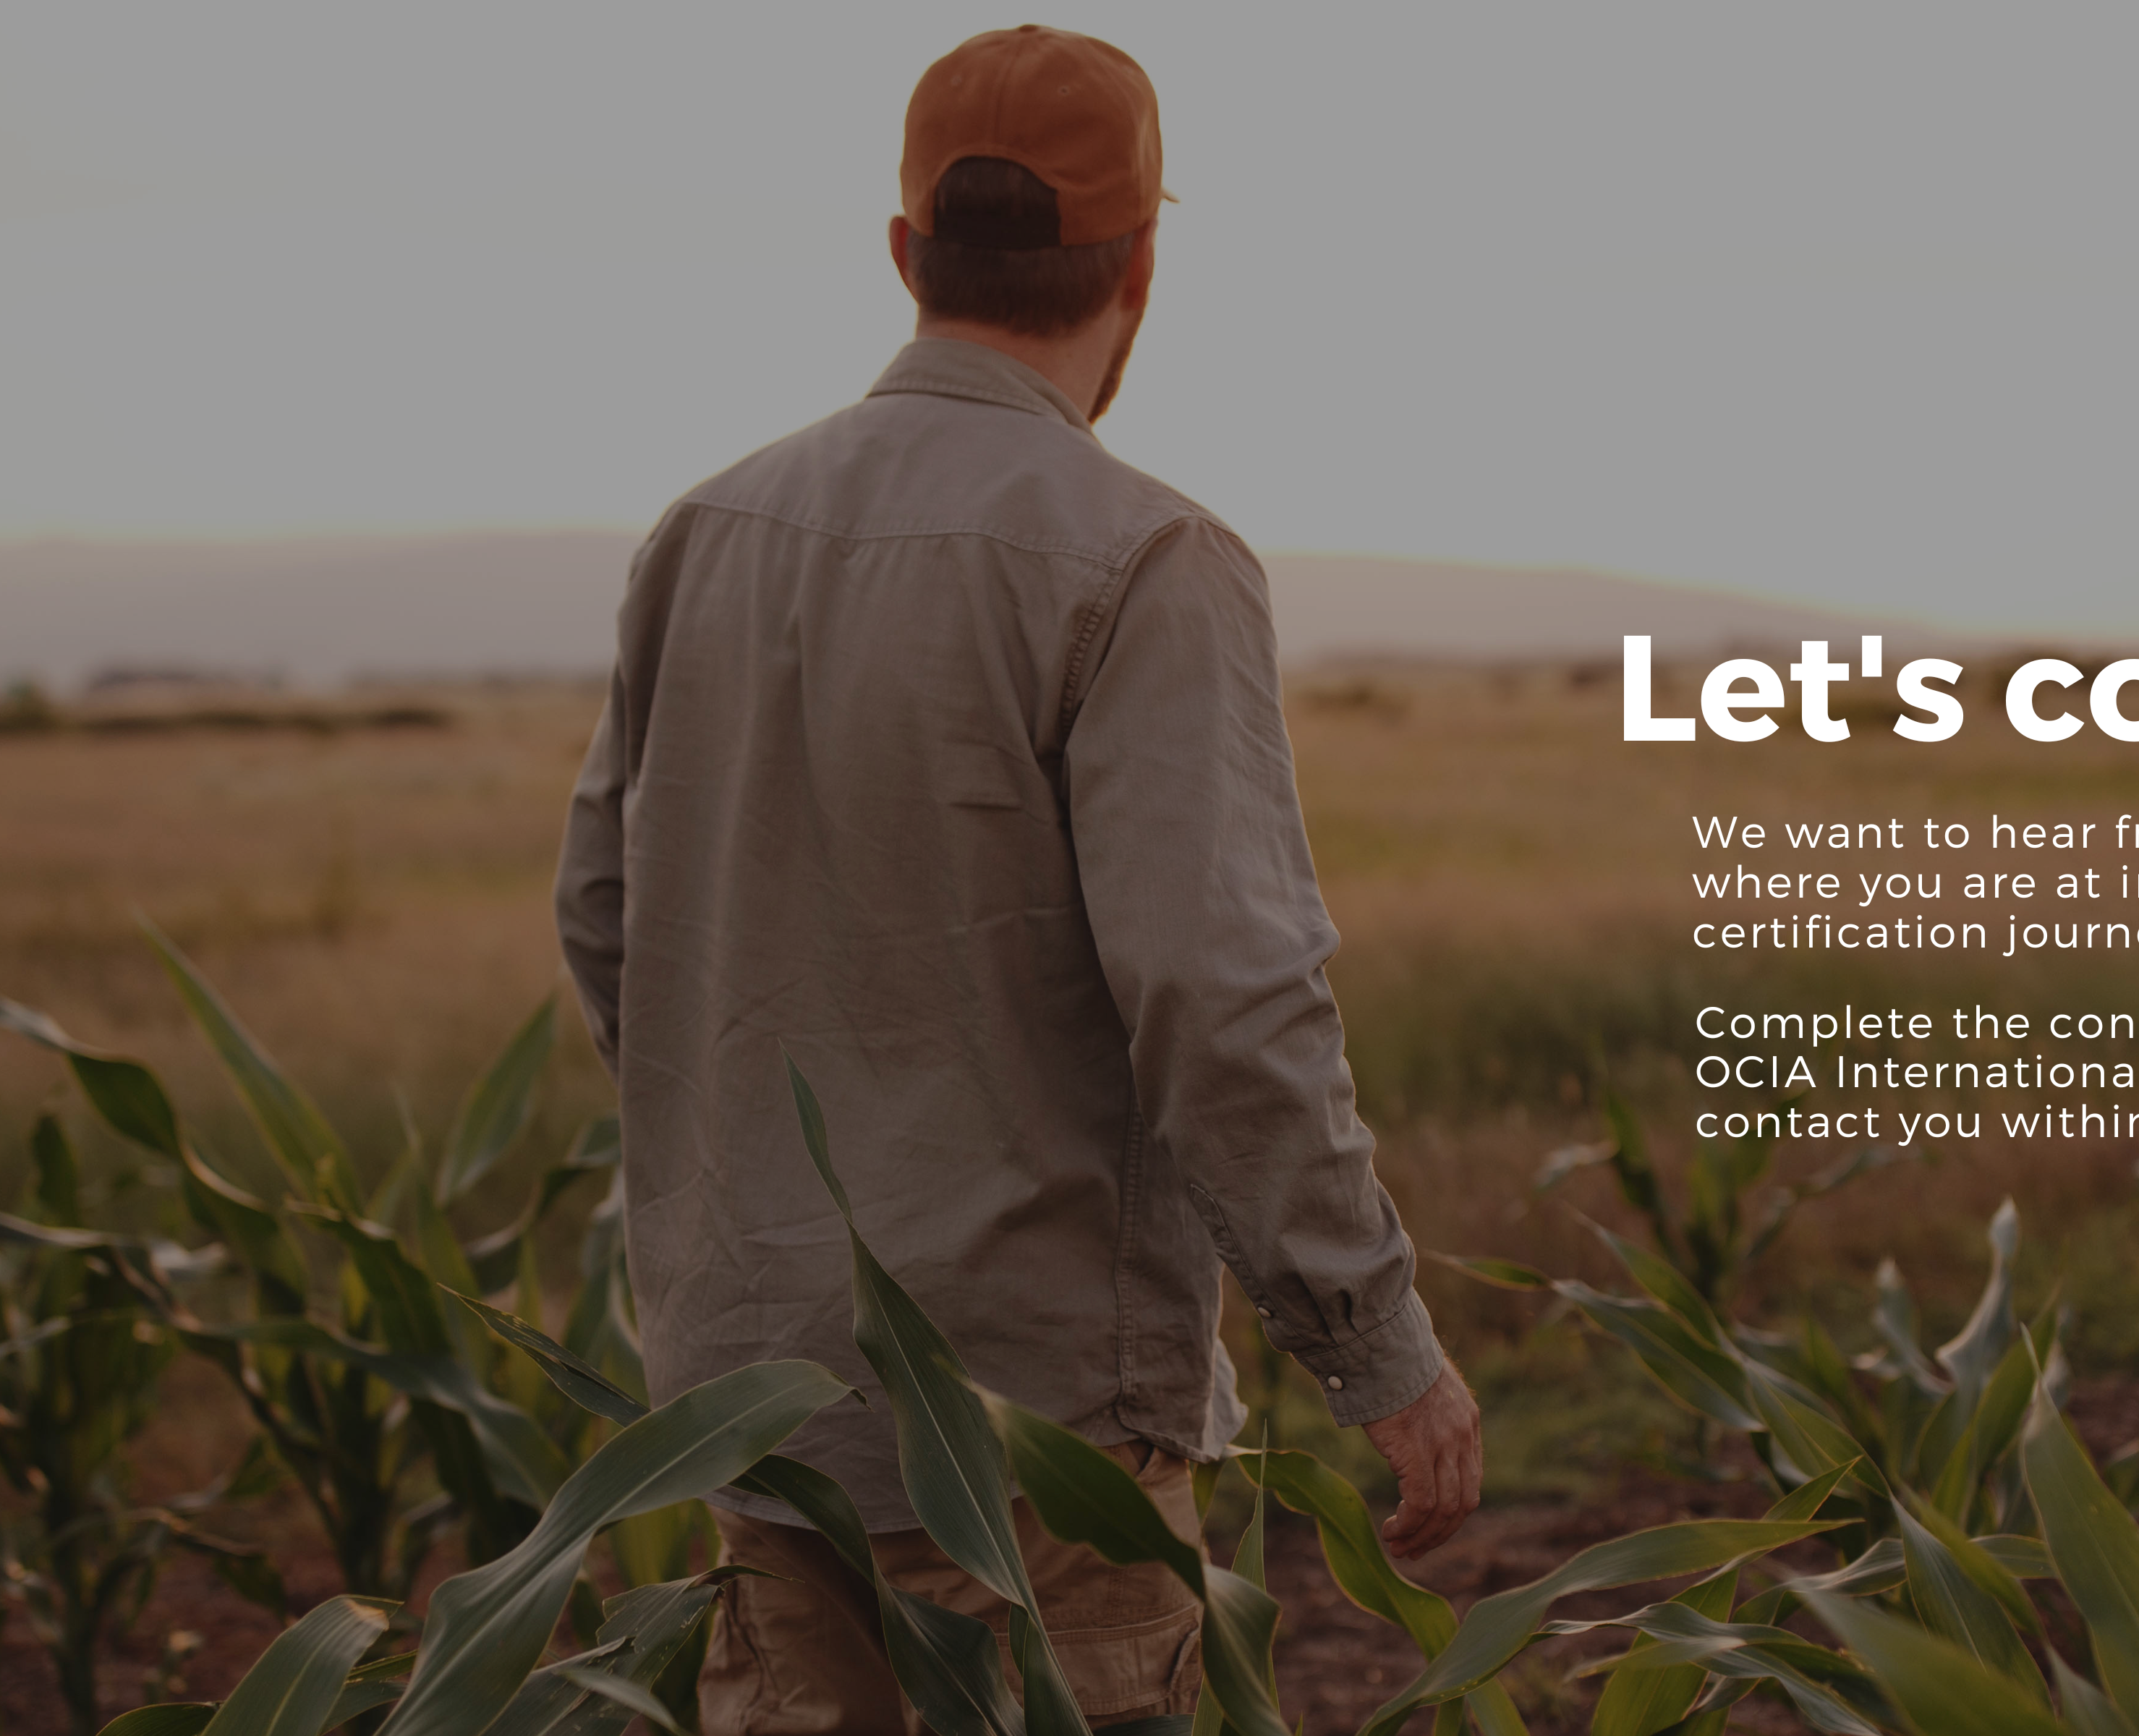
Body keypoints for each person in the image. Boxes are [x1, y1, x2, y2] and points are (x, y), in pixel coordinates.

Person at [551, 25, 1481, 1731]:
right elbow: (1218, 992)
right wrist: (1376, 1347)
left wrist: (757, 1189)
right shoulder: (1144, 557)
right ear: (1142, 262)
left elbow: (606, 919)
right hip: (1029, 1438)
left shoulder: (704, 531)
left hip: (758, 1414)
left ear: (906, 254)